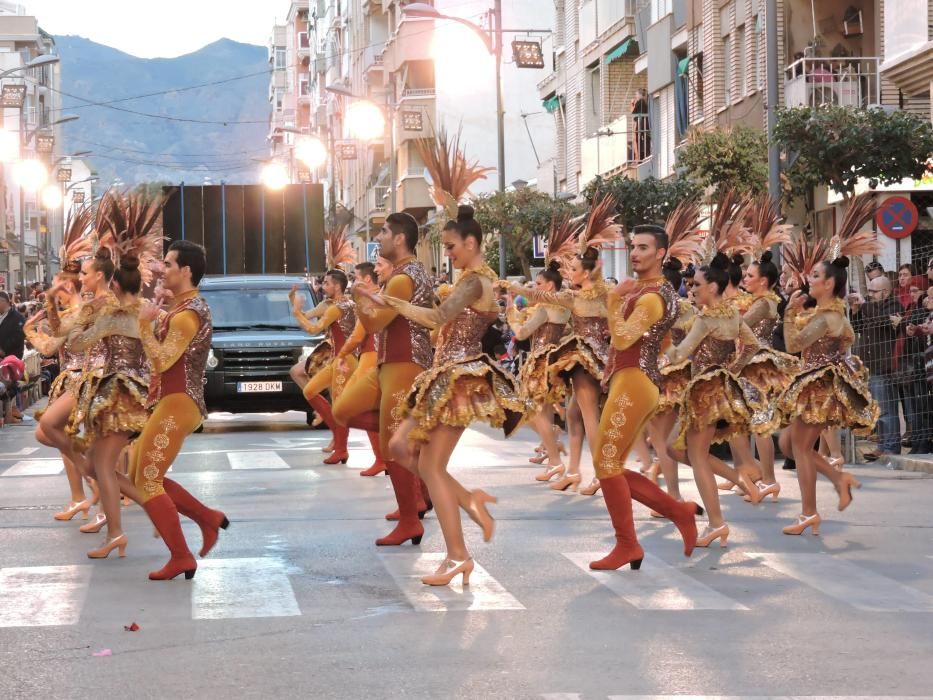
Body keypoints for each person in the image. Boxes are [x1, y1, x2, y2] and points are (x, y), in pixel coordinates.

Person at [359, 206, 524, 586]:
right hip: (441, 374)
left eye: (451, 246)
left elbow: (436, 318)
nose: (447, 253)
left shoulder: (475, 282)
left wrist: (389, 302)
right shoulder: (466, 278)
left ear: (471, 243)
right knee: (399, 447)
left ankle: (458, 556)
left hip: (461, 378)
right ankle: (469, 501)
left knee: (430, 466)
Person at [590, 224, 701, 570]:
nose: (635, 253)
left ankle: (628, 544)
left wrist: (612, 299)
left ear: (661, 254)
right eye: (632, 247)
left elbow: (622, 339)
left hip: (636, 380)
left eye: (643, 247)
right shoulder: (644, 289)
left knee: (605, 464)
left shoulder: (653, 297)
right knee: (609, 464)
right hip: (631, 378)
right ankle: (678, 512)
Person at [126, 240, 227, 580]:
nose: (162, 270)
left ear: (185, 271)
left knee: (148, 480)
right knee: (139, 472)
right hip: (173, 399)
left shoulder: (187, 315)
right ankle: (207, 518)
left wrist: (144, 325)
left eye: (168, 264)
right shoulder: (182, 308)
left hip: (180, 401)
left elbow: (161, 359)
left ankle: (182, 556)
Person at [662, 253, 762, 547]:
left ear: (714, 288)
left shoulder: (706, 319)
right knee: (674, 448)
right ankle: (741, 481)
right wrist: (731, 369)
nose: (692, 290)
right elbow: (751, 345)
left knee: (695, 455)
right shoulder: (732, 315)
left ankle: (717, 523)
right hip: (719, 388)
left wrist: (660, 349)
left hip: (705, 392)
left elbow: (681, 354)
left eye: (698, 286)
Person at [348, 212, 435, 546]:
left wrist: (358, 298)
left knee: (393, 444)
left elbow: (372, 325)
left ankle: (412, 517)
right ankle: (419, 498)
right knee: (398, 440)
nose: (379, 237)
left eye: (383, 232)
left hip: (403, 364)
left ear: (400, 239)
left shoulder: (402, 278)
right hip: (397, 363)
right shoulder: (405, 274)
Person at [778, 257, 878, 535]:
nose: (809, 279)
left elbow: (793, 344)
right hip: (815, 384)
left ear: (830, 283)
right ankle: (838, 478)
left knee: (798, 448)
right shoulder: (827, 314)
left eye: (816, 275)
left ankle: (809, 512)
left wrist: (788, 313)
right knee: (789, 445)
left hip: (819, 389)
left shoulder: (826, 318)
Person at [291, 269, 357, 465]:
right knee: (310, 390)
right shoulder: (343, 304)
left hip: (344, 361)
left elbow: (313, 329)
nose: (323, 286)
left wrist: (296, 311)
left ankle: (341, 449)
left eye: (327, 283)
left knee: (339, 407)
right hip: (336, 359)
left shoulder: (337, 307)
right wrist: (294, 303)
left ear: (337, 286)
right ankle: (337, 436)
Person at [850, 274, 900, 460]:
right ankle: (881, 444)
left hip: (883, 365)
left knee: (886, 408)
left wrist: (863, 304)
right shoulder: (871, 307)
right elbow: (857, 328)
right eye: (868, 291)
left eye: (874, 291)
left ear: (885, 291)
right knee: (877, 410)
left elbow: (882, 321)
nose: (870, 294)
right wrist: (855, 311)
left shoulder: (893, 305)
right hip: (869, 365)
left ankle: (891, 446)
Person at [0, 291, 25, 424]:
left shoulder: (17, 317)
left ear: (4, 302)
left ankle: (11, 412)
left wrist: (4, 350)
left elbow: (19, 336)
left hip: (12, 358)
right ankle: (9, 413)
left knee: (9, 383)